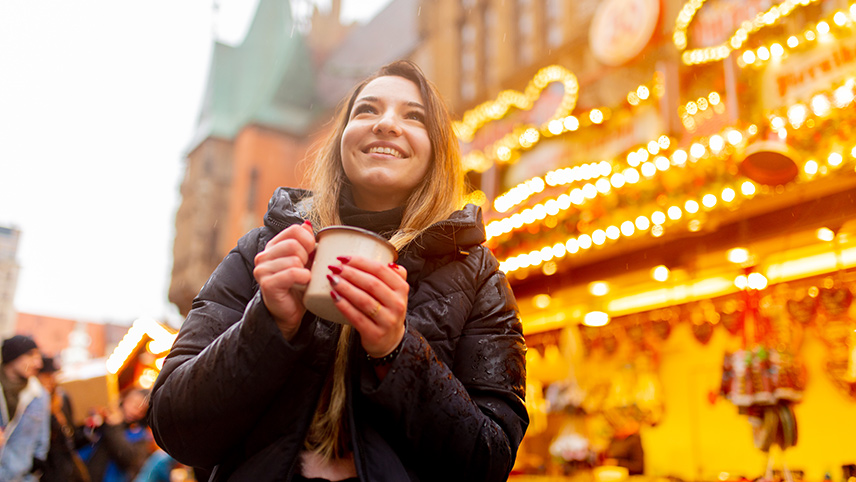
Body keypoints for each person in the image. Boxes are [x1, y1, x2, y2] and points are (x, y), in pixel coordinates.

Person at [149, 60, 528, 481]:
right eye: (366, 110)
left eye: (413, 116)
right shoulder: (263, 251)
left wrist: (397, 351)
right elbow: (174, 427)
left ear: (437, 148)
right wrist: (268, 325)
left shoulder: (476, 274)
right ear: (341, 140)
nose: (386, 124)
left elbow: (489, 461)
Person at [0, 335, 50, 481]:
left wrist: (32, 474)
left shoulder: (40, 396)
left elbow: (41, 444)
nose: (38, 363)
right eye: (30, 356)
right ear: (13, 356)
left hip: (19, 477)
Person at [79, 388, 155, 482]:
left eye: (141, 410)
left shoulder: (141, 435)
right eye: (134, 404)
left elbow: (128, 458)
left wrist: (114, 426)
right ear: (125, 400)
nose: (136, 411)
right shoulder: (104, 418)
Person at [37, 355, 90, 482]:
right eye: (46, 375)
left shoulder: (62, 400)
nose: (51, 380)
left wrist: (89, 427)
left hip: (69, 470)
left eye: (53, 375)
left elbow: (72, 437)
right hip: (49, 472)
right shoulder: (34, 405)